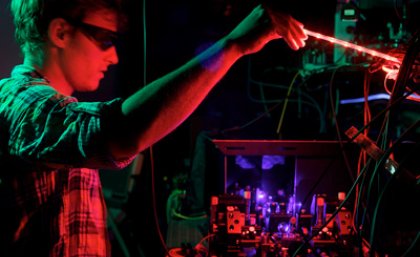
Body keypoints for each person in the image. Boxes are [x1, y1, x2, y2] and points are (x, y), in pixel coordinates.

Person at [0, 0, 307, 256]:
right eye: (104, 38)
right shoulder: (20, 102)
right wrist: (234, 45)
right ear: (61, 32)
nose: (114, 55)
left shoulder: (54, 111)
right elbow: (116, 133)